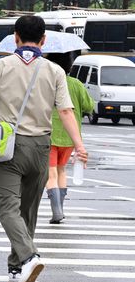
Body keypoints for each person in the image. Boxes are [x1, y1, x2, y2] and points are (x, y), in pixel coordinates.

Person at [0, 15, 88, 282]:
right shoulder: (55, 71)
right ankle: (17, 267)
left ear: (15, 37)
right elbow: (66, 111)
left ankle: (28, 256)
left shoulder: (1, 66)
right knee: (29, 209)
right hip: (40, 147)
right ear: (43, 40)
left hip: (9, 147)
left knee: (8, 208)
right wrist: (79, 145)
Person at [45, 52, 94, 224]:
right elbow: (89, 106)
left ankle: (56, 210)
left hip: (50, 135)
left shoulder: (47, 84)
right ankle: (61, 208)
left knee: (50, 173)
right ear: (69, 66)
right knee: (61, 170)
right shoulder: (76, 84)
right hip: (70, 137)